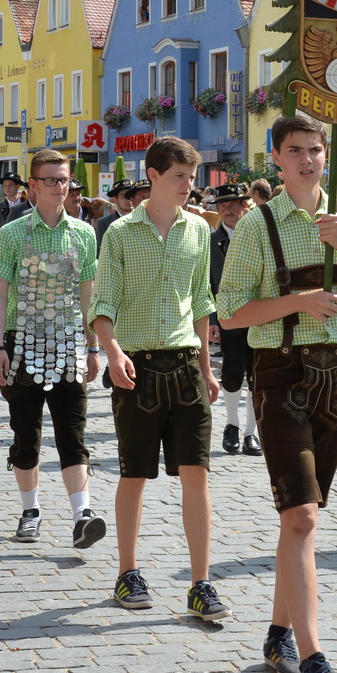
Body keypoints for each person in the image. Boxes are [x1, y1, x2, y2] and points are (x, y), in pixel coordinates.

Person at [217, 113, 337, 673]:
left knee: (302, 518)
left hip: (336, 378)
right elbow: (230, 313)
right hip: (280, 376)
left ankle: (278, 634)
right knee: (303, 517)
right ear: (277, 158)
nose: (309, 159)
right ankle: (314, 660)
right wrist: (298, 300)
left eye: (316, 149)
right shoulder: (258, 226)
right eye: (296, 151)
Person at [90, 137, 225, 622]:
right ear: (153, 176)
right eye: (179, 178)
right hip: (138, 366)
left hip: (187, 365)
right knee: (134, 474)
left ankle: (201, 583)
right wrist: (112, 352)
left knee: (197, 475)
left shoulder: (199, 232)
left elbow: (202, 305)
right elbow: (102, 305)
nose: (189, 187)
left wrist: (208, 368)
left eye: (192, 178)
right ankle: (128, 571)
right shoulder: (121, 234)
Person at [0, 150, 104, 549]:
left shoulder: (84, 234)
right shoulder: (12, 233)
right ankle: (30, 510)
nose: (60, 187)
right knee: (26, 434)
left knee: (73, 433)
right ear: (33, 186)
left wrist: (93, 347)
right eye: (52, 180)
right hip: (22, 344)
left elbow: (88, 294)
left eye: (65, 180)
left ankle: (81, 514)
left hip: (70, 343)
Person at [207, 183, 259, 458]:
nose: (229, 209)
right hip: (228, 317)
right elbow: (207, 283)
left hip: (260, 314)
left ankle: (251, 431)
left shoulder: (257, 236)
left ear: (244, 206)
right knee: (232, 371)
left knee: (257, 374)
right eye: (223, 205)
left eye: (234, 204)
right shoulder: (211, 241)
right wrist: (212, 319)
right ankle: (231, 425)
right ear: (217, 209)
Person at [0, 174, 30, 252]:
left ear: (18, 186)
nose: (7, 188)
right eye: (5, 186)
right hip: (5, 249)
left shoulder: (28, 206)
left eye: (10, 185)